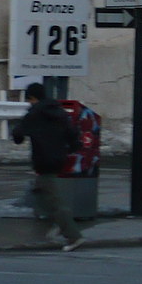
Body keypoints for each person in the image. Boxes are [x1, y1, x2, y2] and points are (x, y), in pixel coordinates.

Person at [12, 82, 86, 252]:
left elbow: (18, 133)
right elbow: (72, 133)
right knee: (40, 190)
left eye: (29, 99)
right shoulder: (59, 111)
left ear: (32, 98)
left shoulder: (35, 113)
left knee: (54, 200)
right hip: (59, 158)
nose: (29, 103)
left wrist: (17, 135)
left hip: (43, 160)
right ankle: (59, 223)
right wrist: (72, 147)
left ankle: (73, 235)